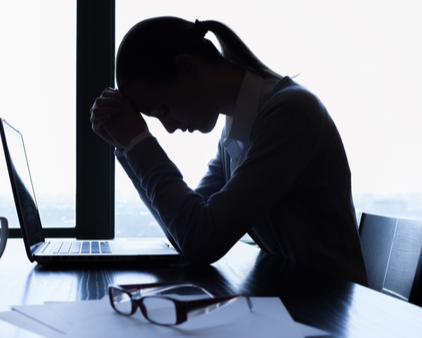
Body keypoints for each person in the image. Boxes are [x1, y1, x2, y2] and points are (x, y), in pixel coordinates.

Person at [90, 16, 367, 286]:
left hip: (330, 311)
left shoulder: (290, 113)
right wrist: (127, 147)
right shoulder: (236, 131)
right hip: (296, 300)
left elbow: (201, 242)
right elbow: (185, 233)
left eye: (163, 109)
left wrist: (139, 144)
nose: (169, 127)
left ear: (188, 67)